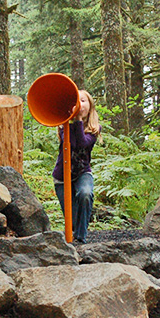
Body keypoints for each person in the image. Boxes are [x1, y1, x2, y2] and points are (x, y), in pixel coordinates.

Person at [53, 90, 101, 243]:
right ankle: (75, 234)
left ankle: (80, 240)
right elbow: (71, 143)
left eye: (83, 100)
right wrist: (72, 120)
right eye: (76, 101)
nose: (80, 104)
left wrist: (78, 119)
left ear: (90, 106)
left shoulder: (94, 129)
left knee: (85, 194)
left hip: (82, 173)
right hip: (62, 176)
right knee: (72, 219)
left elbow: (81, 144)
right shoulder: (64, 126)